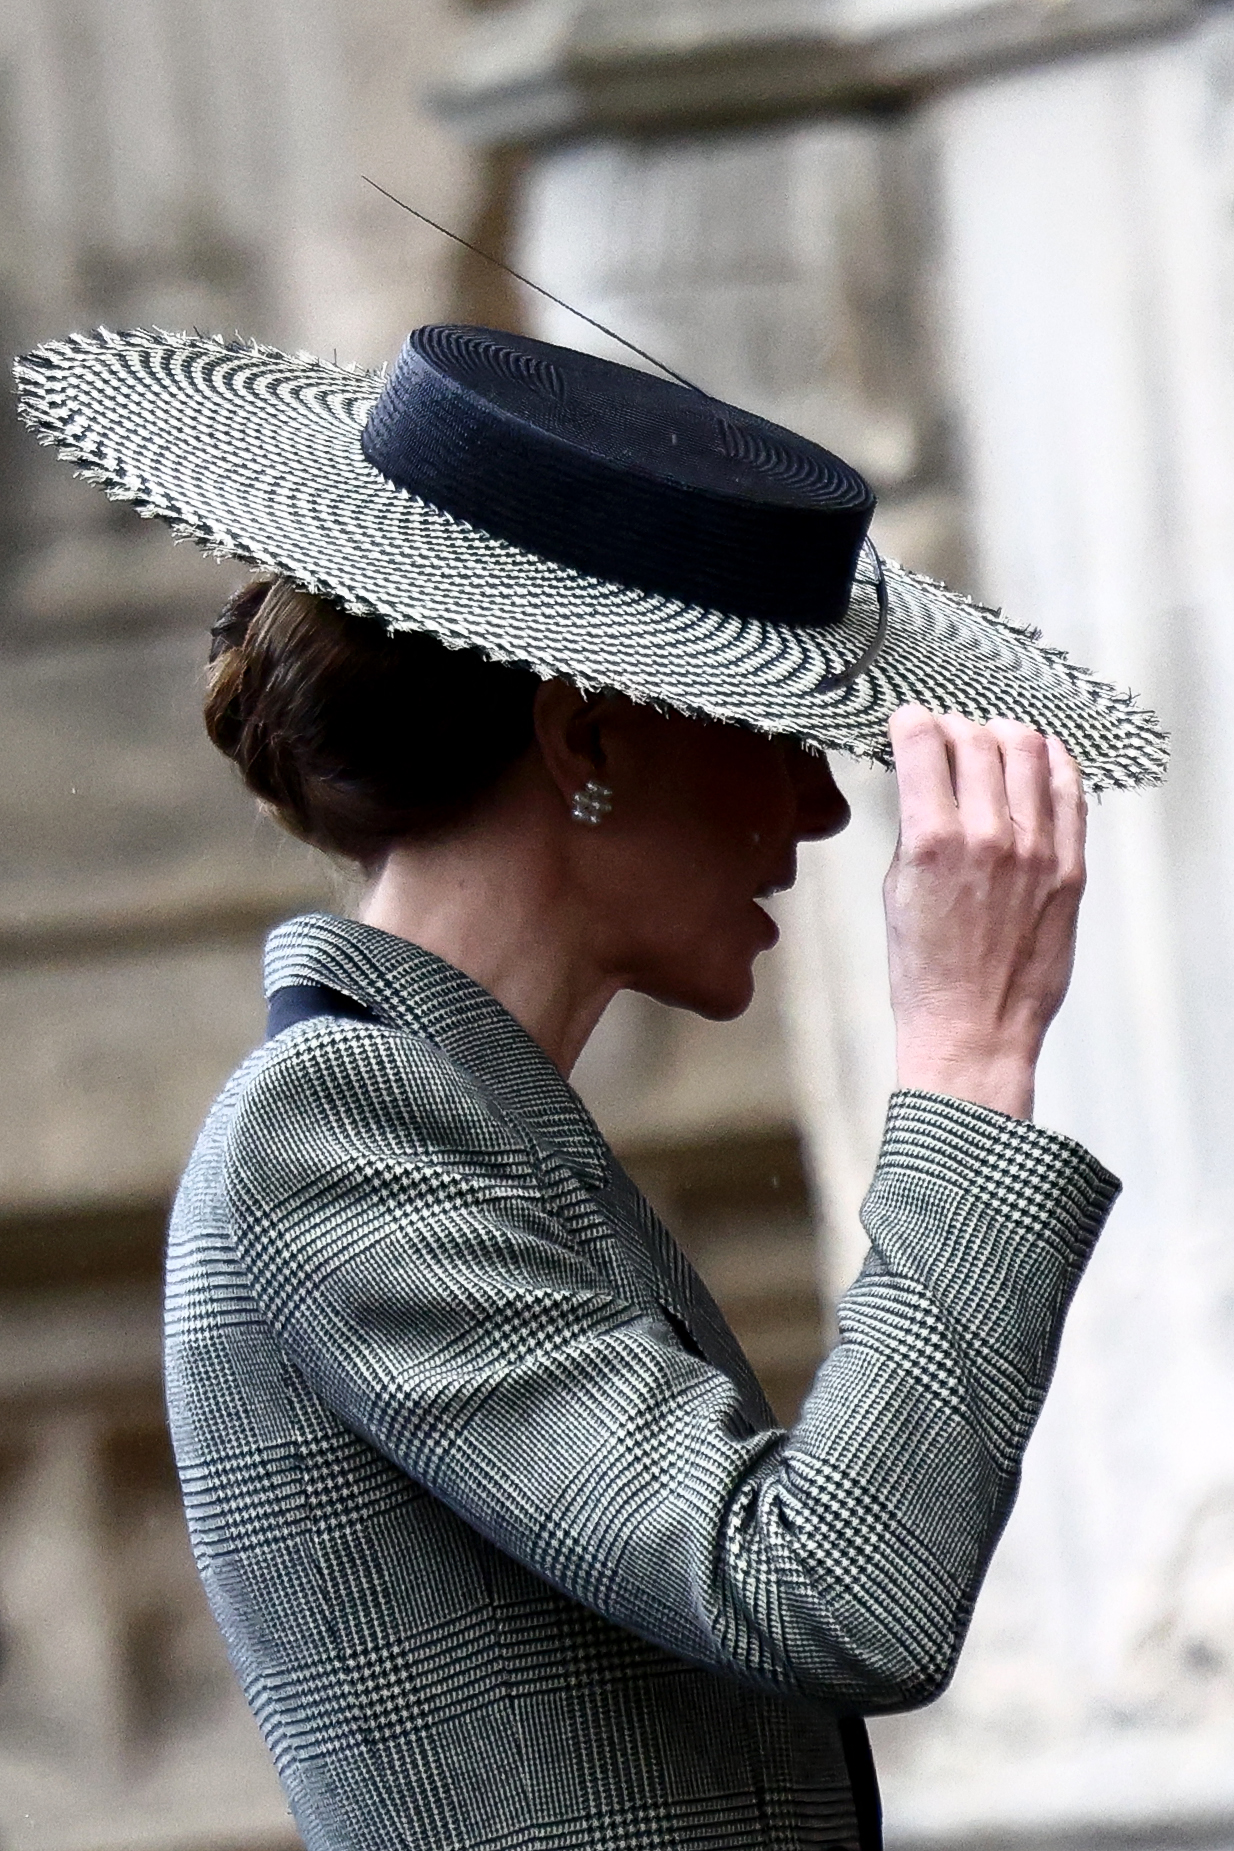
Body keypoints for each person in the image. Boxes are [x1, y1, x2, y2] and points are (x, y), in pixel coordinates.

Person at [16, 322, 1165, 1851]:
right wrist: (966, 1051)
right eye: (774, 731)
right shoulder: (336, 1131)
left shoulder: (467, 1121)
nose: (821, 811)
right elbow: (838, 1591)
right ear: (584, 733)